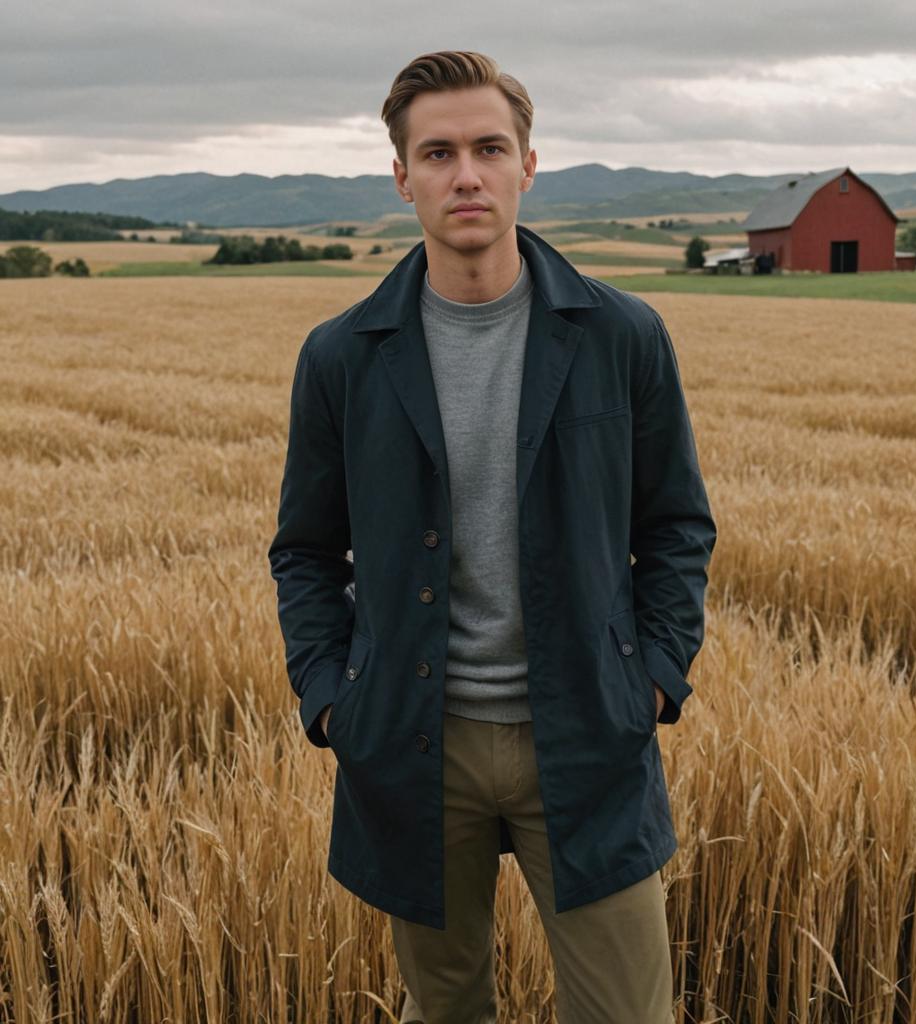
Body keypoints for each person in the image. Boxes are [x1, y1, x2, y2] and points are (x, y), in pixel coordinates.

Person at [268, 49, 716, 1024]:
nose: (464, 174)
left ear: (527, 164)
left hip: (590, 731)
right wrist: (334, 700)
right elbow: (305, 548)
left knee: (628, 1012)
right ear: (401, 177)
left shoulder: (621, 336)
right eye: (437, 153)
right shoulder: (342, 356)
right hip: (414, 741)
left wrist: (651, 675)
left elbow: (675, 524)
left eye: (487, 148)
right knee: (448, 1010)